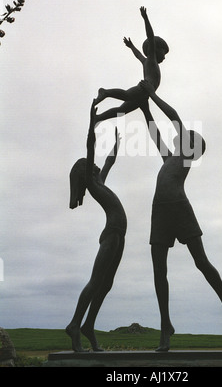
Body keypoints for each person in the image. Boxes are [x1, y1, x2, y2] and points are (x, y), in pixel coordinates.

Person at [140, 79, 222, 352]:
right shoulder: (170, 158)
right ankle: (166, 326)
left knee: (201, 262)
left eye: (185, 138)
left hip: (179, 207)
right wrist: (144, 109)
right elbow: (155, 136)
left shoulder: (185, 157)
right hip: (159, 210)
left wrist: (151, 94)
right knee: (158, 270)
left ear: (192, 147)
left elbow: (174, 117)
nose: (179, 138)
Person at [66, 100, 127, 352]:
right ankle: (74, 324)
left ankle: (88, 325)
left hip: (119, 233)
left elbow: (110, 161)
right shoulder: (92, 185)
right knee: (95, 281)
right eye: (92, 164)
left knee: (107, 283)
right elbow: (90, 146)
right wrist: (93, 123)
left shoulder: (100, 181)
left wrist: (116, 145)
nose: (97, 164)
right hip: (111, 233)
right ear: (87, 171)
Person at [94, 7, 169, 125]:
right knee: (126, 95)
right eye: (164, 52)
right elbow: (150, 36)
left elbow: (138, 54)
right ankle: (105, 92)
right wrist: (145, 18)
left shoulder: (146, 61)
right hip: (144, 89)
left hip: (145, 95)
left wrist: (131, 46)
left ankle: (98, 118)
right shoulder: (151, 59)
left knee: (121, 111)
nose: (164, 57)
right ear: (155, 48)